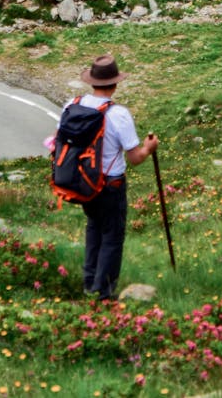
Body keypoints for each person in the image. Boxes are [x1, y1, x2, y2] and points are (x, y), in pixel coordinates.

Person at [61, 53, 158, 301]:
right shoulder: (118, 114)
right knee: (112, 236)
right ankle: (103, 292)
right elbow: (135, 157)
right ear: (115, 84)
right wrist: (149, 147)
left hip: (83, 182)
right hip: (110, 185)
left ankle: (89, 282)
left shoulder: (72, 105)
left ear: (92, 82)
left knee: (94, 228)